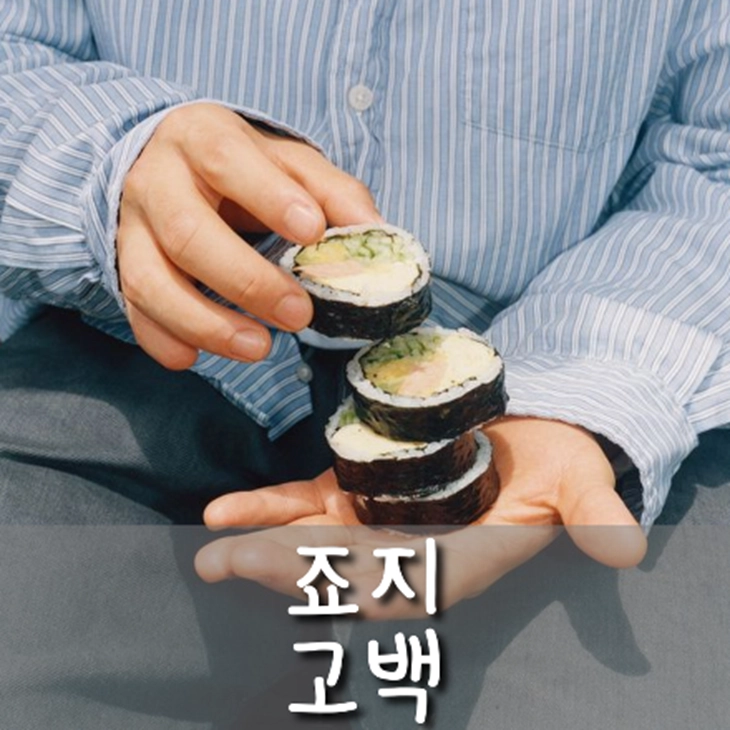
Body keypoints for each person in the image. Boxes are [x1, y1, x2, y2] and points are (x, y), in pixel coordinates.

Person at [1, 0, 729, 724]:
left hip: (570, 362)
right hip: (125, 338)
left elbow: (715, 154)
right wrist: (113, 162)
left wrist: (576, 398)